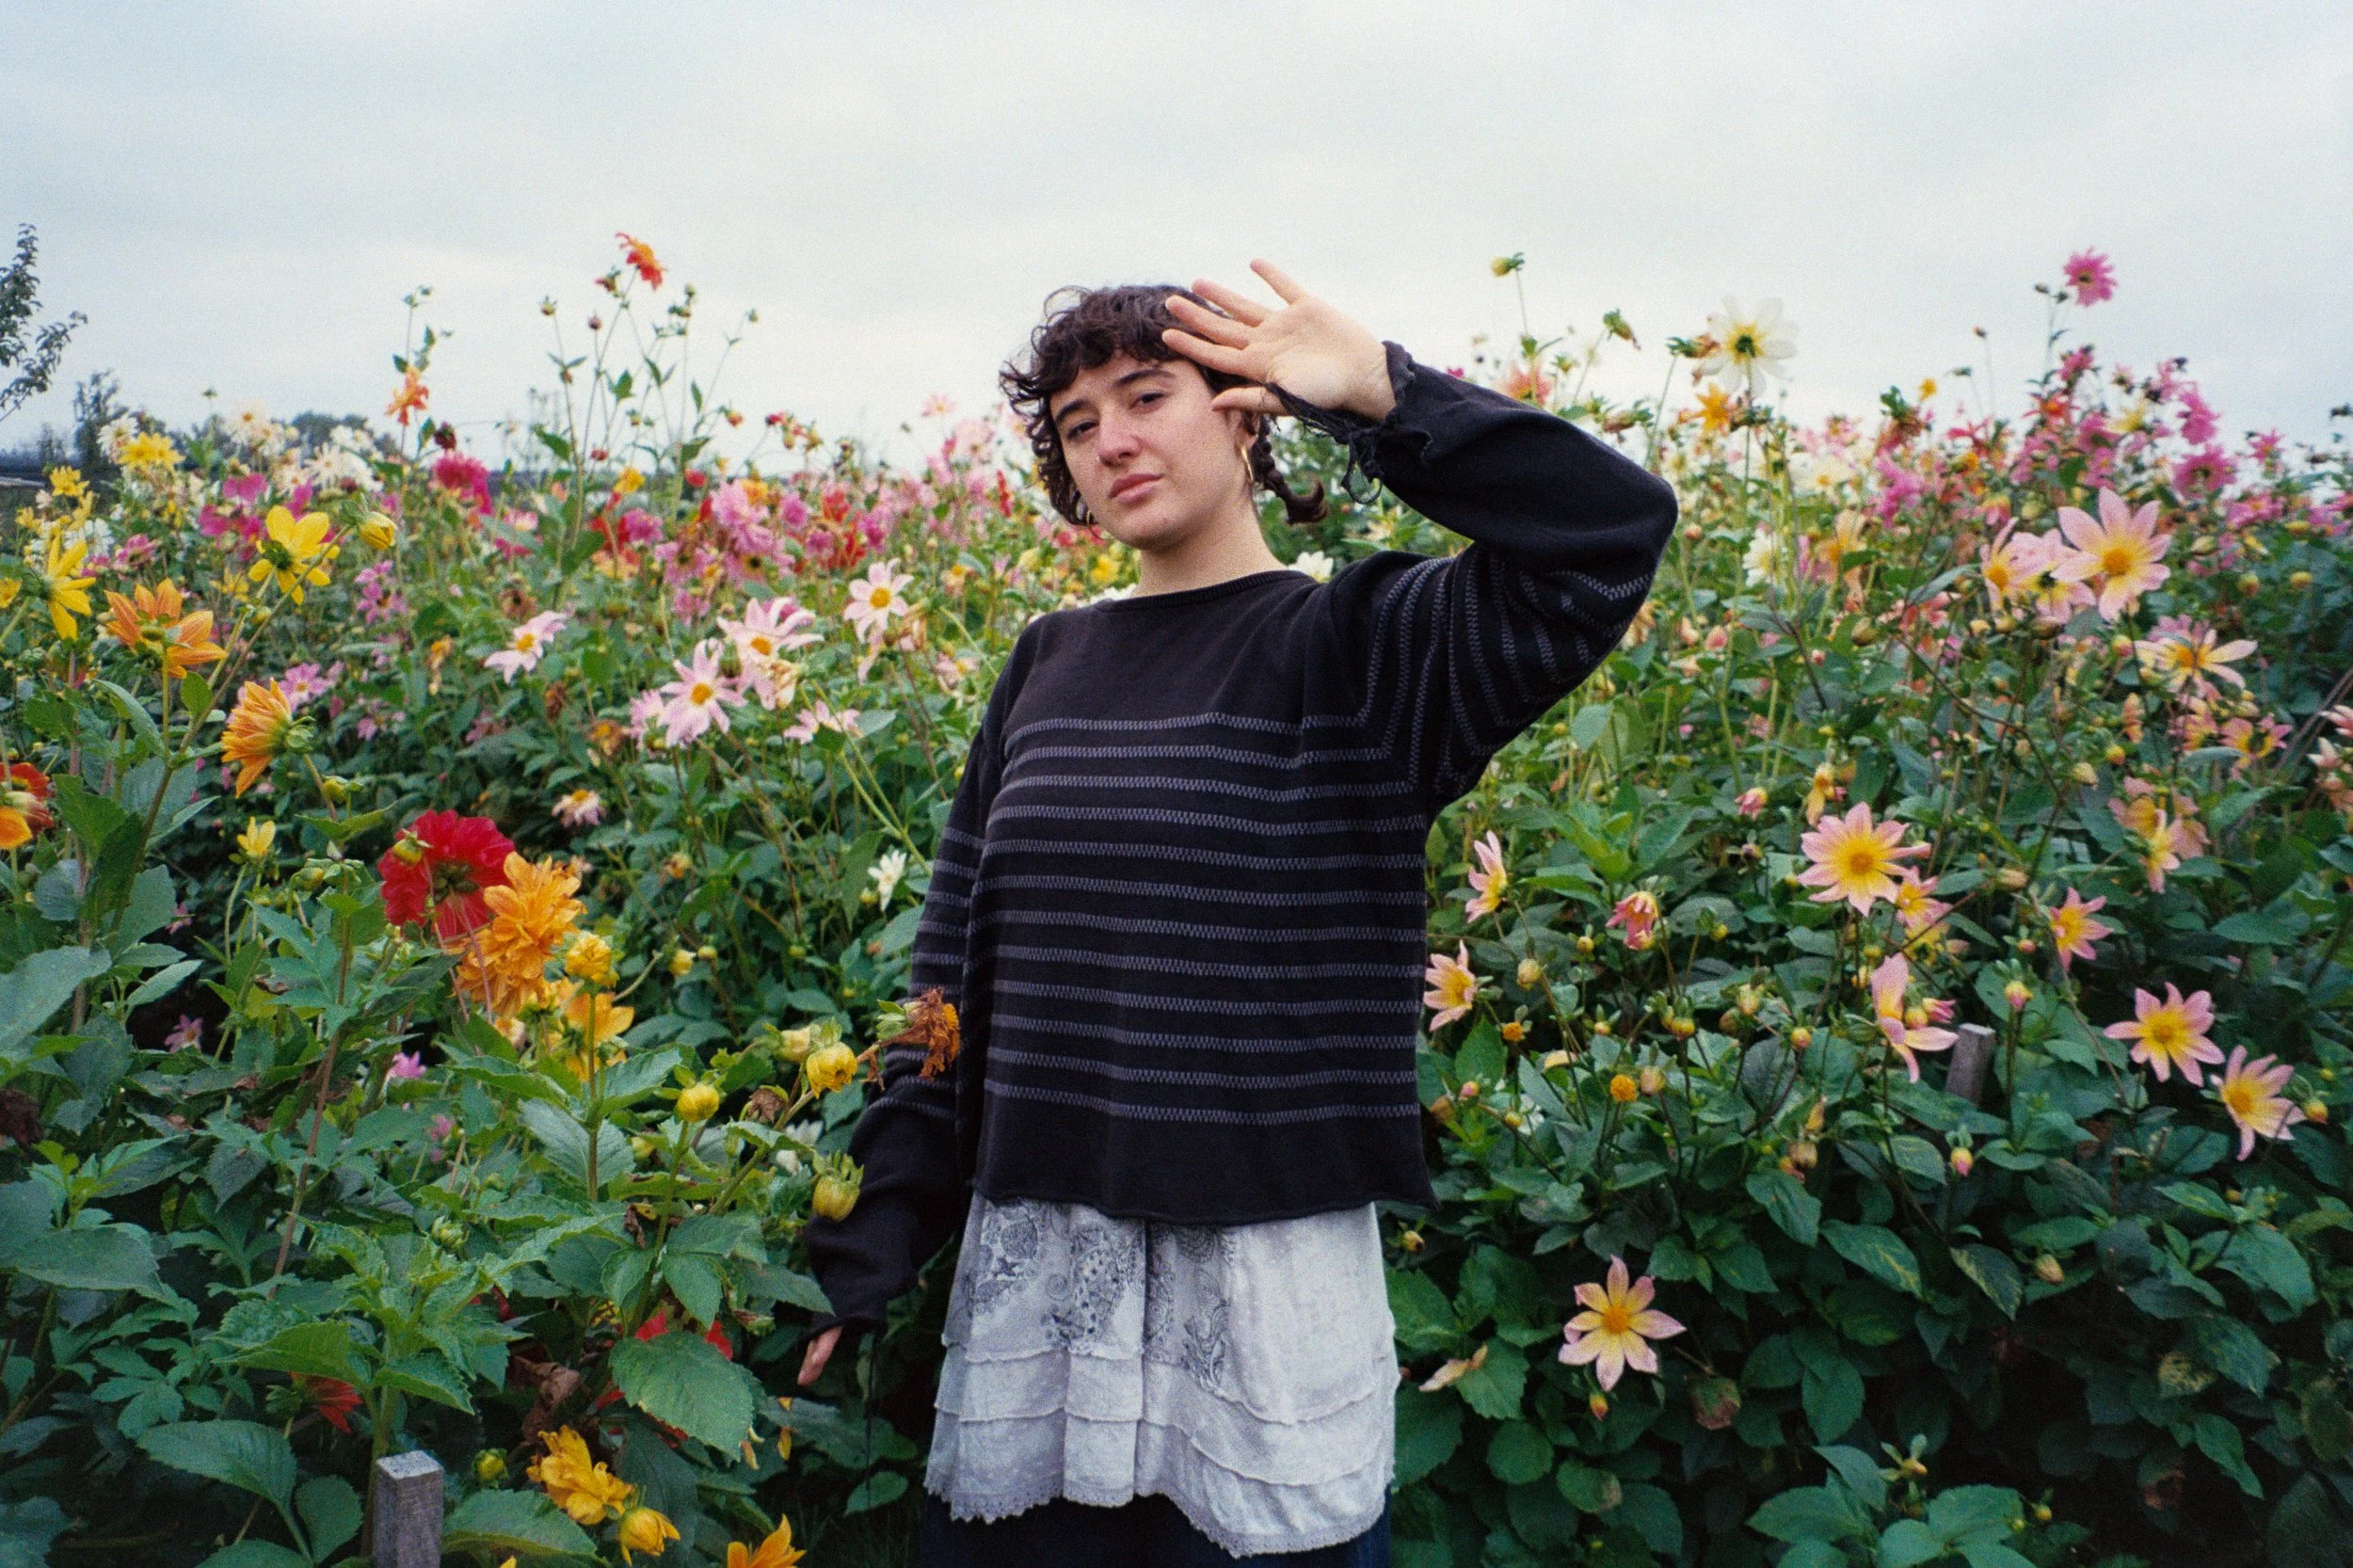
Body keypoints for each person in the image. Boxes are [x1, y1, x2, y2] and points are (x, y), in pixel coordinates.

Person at [795, 260, 1678, 1564]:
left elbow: (1607, 534)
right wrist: (869, 1239)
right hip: (1045, 1310)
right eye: (1078, 423)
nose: (1111, 440)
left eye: (1147, 396)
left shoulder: (1357, 648)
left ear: (1249, 412)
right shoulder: (1045, 665)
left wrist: (1385, 393)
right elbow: (947, 988)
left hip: (1258, 1326)